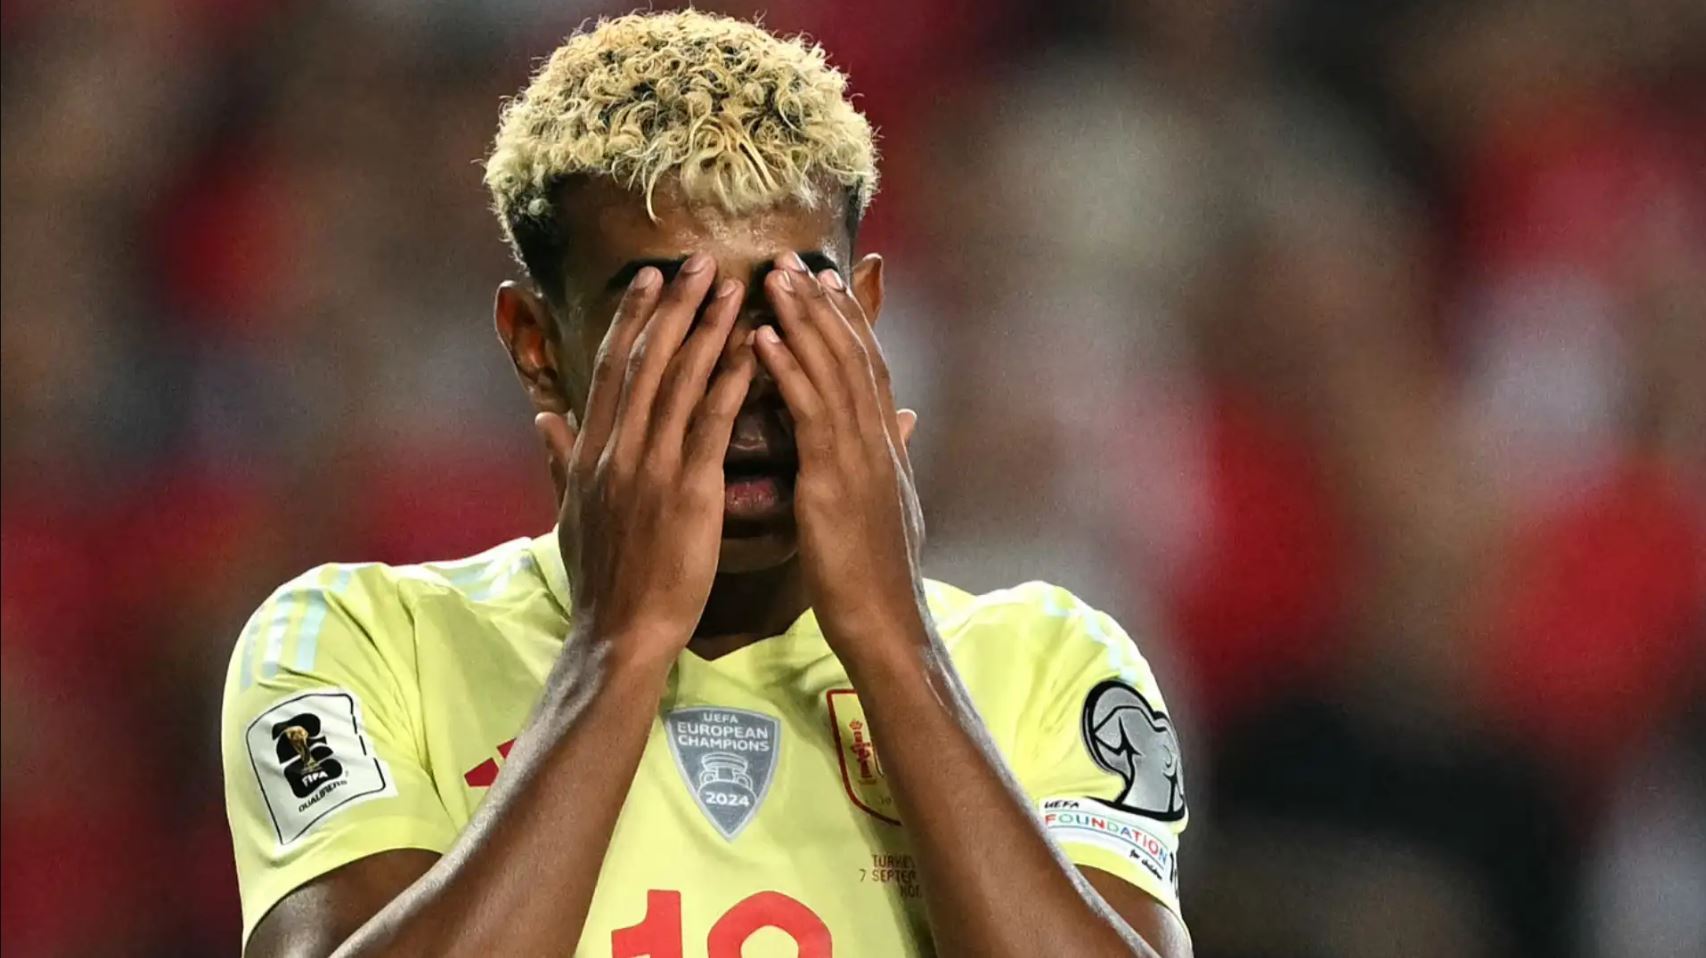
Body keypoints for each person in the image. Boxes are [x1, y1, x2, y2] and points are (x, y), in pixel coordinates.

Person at [221, 10, 1192, 957]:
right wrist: (617, 652)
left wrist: (895, 646)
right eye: (675, 314)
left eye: (791, 301)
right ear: (537, 346)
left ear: (864, 316)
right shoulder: (359, 644)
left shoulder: (1048, 664)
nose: (745, 377)